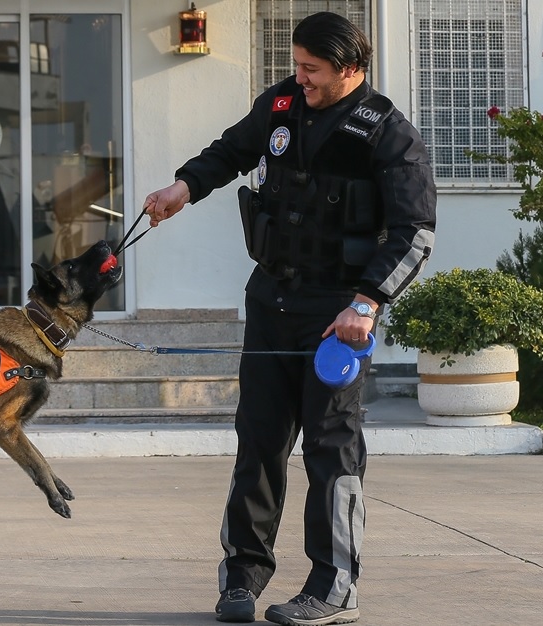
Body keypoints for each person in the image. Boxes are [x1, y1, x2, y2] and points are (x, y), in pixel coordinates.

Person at [142, 12, 436, 626]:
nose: (299, 77)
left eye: (313, 69)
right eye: (297, 64)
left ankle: (334, 587)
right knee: (259, 442)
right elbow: (228, 152)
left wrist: (367, 304)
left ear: (350, 69)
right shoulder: (280, 105)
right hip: (270, 299)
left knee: (332, 449)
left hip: (336, 317)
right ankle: (242, 576)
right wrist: (183, 189)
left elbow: (413, 235)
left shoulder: (388, 134)